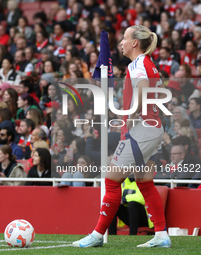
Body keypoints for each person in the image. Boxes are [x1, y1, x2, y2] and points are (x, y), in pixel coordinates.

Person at [73, 25, 172, 248]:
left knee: (111, 179)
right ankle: (162, 235)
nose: (122, 43)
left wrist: (132, 113)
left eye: (125, 38)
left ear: (135, 43)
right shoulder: (148, 63)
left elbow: (144, 89)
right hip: (152, 129)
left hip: (141, 132)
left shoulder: (137, 64)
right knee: (145, 182)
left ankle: (97, 236)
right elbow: (161, 92)